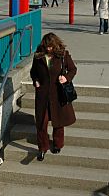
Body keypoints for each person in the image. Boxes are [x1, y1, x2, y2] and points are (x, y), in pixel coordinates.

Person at [30, 32, 77, 161]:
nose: (48, 49)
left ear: (55, 45)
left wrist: (66, 78)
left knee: (58, 121)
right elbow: (33, 72)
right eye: (46, 47)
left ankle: (57, 144)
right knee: (41, 122)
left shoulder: (63, 55)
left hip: (58, 94)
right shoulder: (38, 56)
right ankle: (42, 148)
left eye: (50, 47)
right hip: (43, 95)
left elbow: (73, 69)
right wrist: (35, 80)